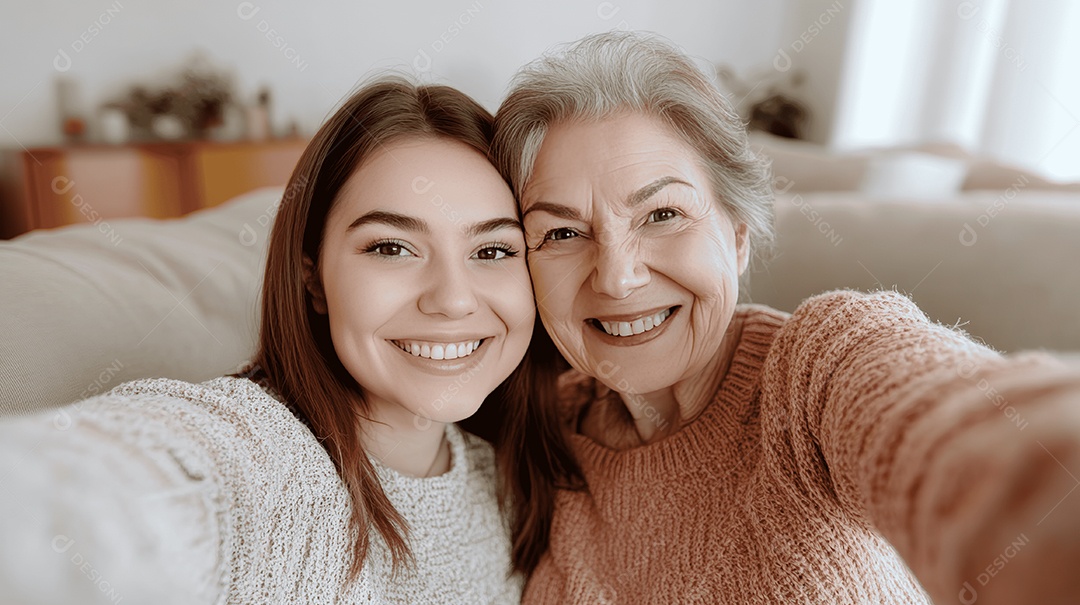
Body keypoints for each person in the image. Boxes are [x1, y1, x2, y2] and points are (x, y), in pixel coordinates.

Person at [491, 31, 1080, 604]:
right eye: (563, 232)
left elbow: (959, 426)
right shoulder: (542, 432)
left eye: (662, 214)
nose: (617, 278)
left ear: (739, 235)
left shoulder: (816, 369)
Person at [0, 77, 535, 603]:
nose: (453, 300)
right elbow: (103, 485)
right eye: (391, 248)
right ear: (313, 278)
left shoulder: (518, 486)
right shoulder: (258, 454)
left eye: (492, 251)